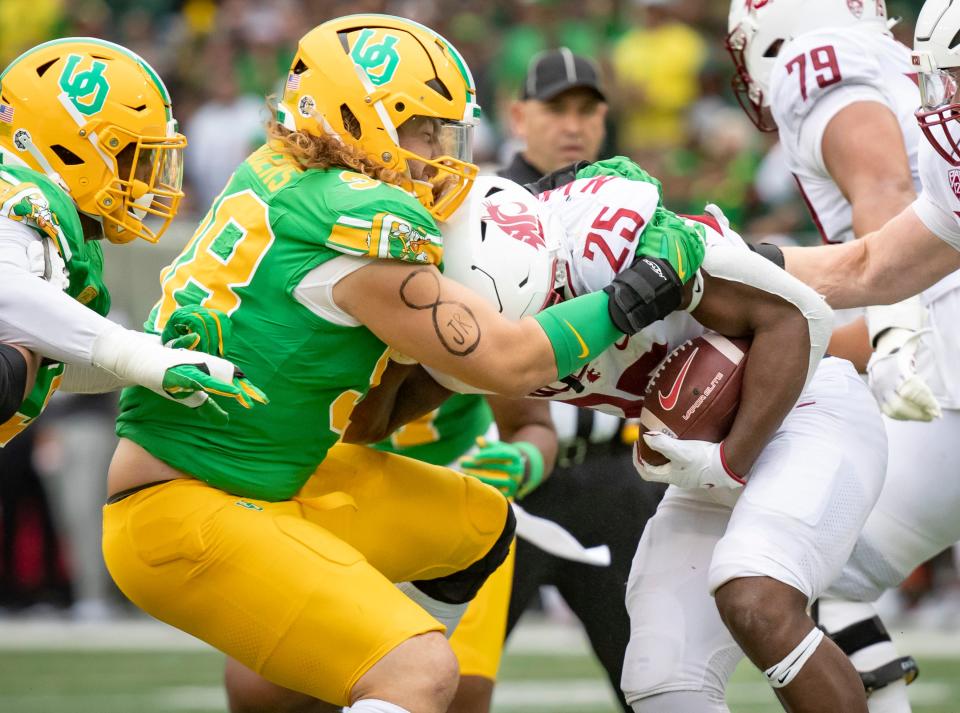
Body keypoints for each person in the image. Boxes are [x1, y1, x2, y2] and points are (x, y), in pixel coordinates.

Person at [102, 16, 707, 713]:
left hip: (267, 475)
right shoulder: (357, 222)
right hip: (188, 508)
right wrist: (639, 288)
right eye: (424, 129)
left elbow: (361, 422)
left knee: (479, 525)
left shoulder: (281, 172)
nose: (440, 153)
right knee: (418, 673)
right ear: (360, 119)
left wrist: (437, 367)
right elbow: (511, 362)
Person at [727, 0, 942, 706]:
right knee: (822, 573)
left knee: (787, 569)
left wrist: (893, 334)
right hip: (940, 345)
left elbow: (886, 194)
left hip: (944, 371)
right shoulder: (895, 64)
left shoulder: (814, 64)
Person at [0, 38, 266, 445]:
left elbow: (58, 358)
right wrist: (131, 352)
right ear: (69, 148)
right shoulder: (19, 195)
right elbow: (6, 290)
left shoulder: (58, 226)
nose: (147, 181)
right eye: (134, 158)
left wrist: (160, 352)